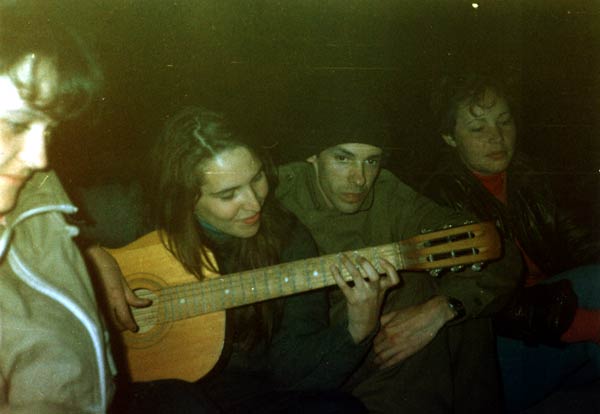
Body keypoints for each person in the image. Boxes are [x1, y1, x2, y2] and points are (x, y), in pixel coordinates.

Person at [104, 106, 400, 414]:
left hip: (243, 398)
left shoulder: (288, 238)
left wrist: (357, 329)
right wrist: (94, 257)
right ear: (185, 199)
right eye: (228, 194)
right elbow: (66, 211)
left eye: (257, 178)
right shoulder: (137, 213)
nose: (255, 203)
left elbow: (291, 372)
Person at [271, 95, 523, 413]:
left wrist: (443, 309)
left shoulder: (386, 194)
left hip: (400, 360)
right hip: (319, 363)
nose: (359, 179)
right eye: (343, 159)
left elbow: (496, 252)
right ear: (313, 156)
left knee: (454, 301)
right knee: (407, 291)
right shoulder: (273, 198)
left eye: (371, 161)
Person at [422, 71, 600, 412]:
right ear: (449, 138)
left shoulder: (530, 173)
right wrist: (587, 323)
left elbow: (580, 239)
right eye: (478, 128)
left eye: (504, 122)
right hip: (494, 354)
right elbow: (486, 302)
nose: (497, 137)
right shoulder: (438, 199)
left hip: (552, 324)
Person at [0, 3, 114, 413]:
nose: (40, 158)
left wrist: (92, 254)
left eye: (48, 129)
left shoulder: (38, 205)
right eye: (16, 125)